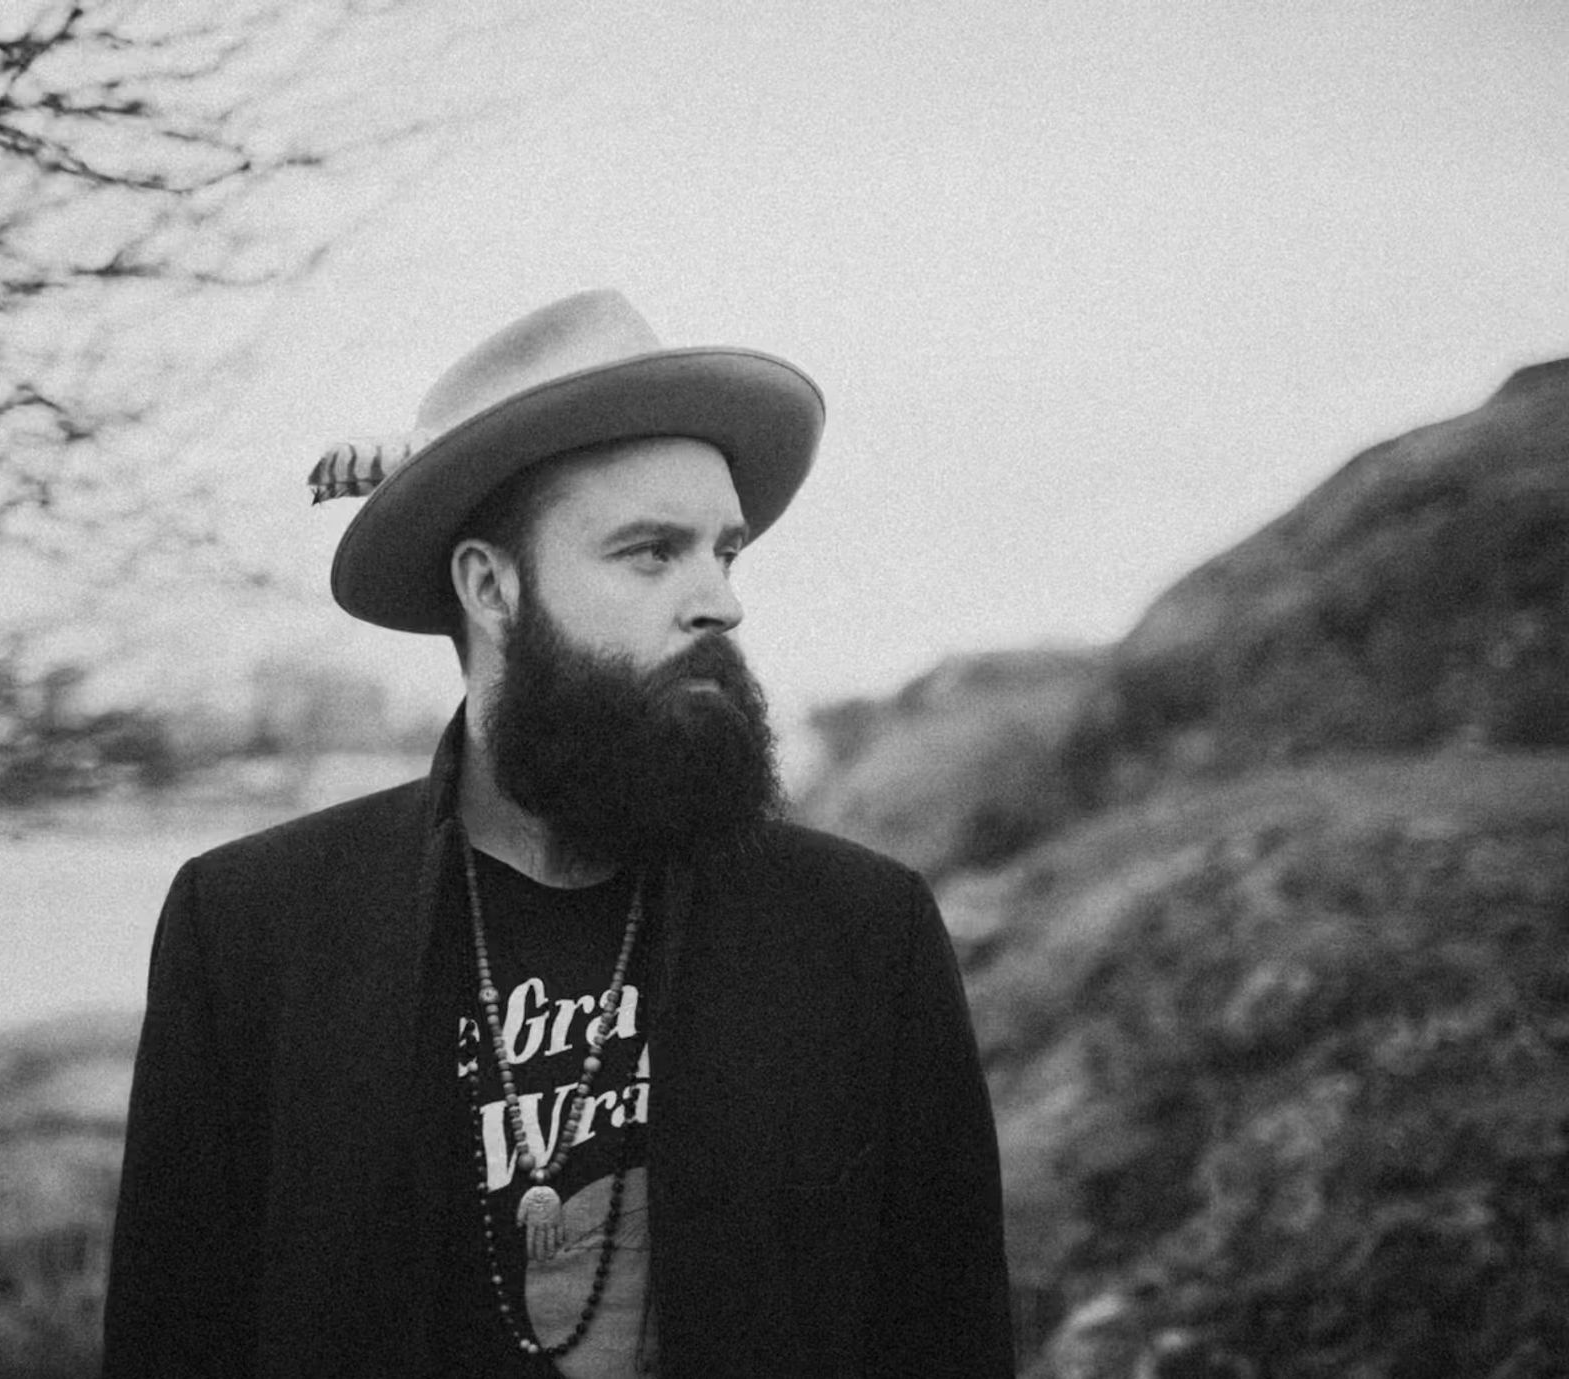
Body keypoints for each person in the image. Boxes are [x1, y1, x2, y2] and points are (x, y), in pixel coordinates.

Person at [102, 290, 1014, 1377]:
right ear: (490, 587)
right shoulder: (255, 929)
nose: (720, 601)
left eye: (724, 552)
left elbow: (946, 1336)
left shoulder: (862, 933)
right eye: (651, 551)